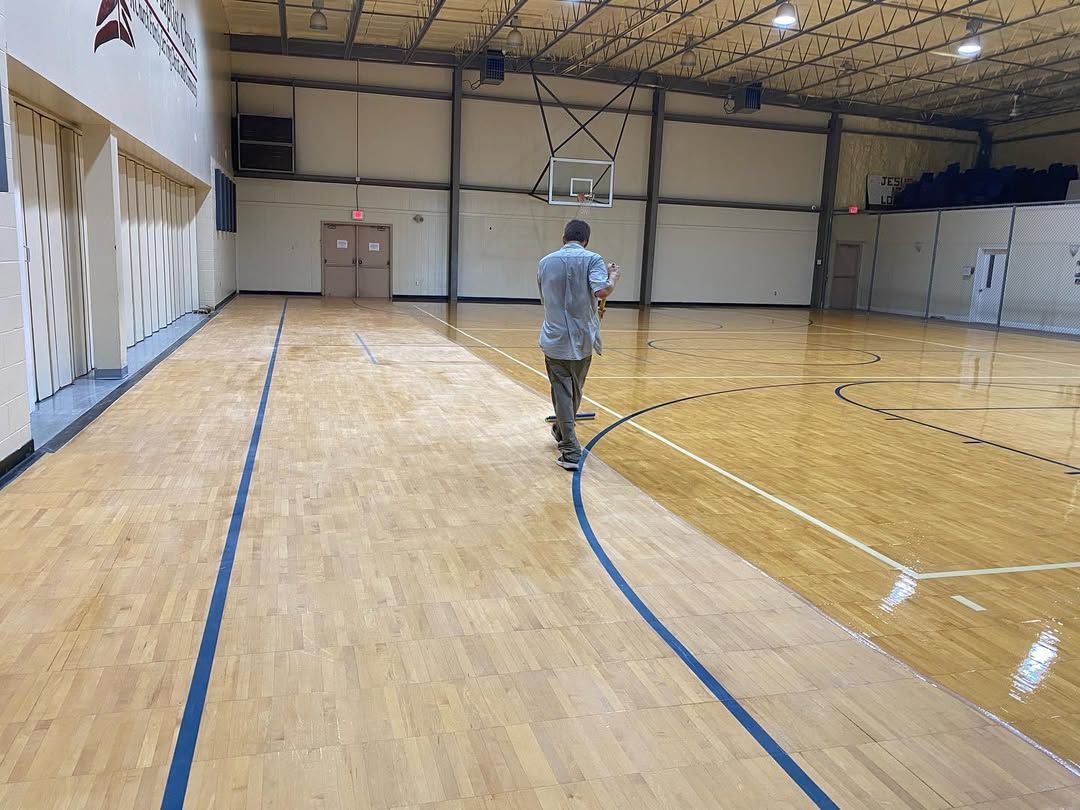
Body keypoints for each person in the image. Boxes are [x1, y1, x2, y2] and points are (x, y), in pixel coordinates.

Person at [537, 219, 620, 470]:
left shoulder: (545, 262)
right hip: (582, 338)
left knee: (564, 390)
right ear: (586, 240)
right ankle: (571, 450)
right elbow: (602, 291)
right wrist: (613, 276)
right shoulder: (593, 259)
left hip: (554, 336)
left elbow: (546, 297)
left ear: (564, 237)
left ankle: (562, 432)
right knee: (572, 390)